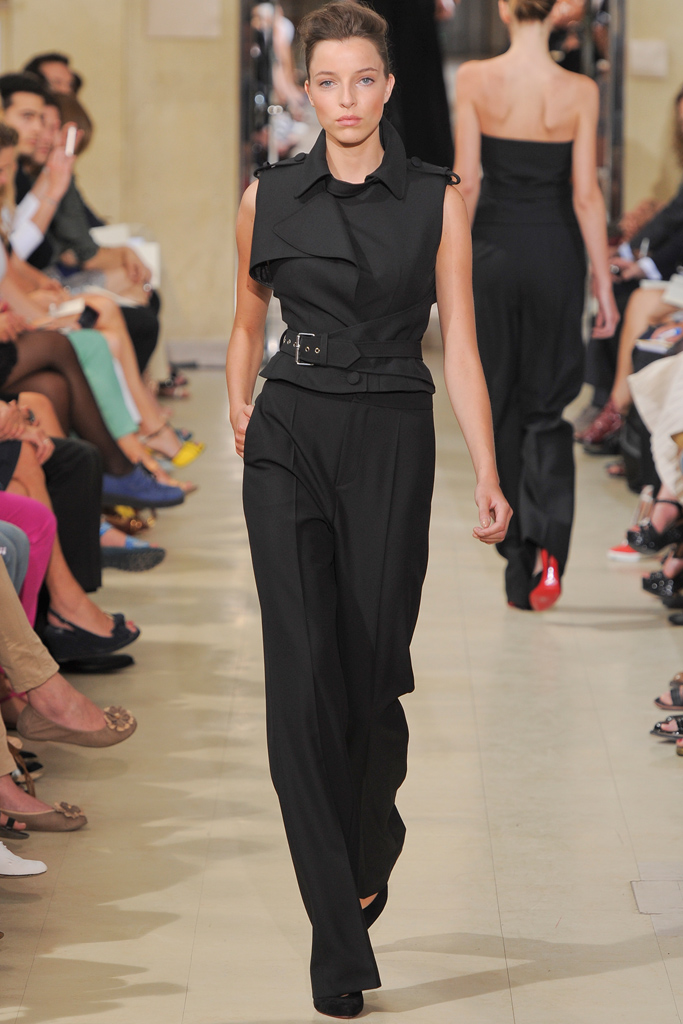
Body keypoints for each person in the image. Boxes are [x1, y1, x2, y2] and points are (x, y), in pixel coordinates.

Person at [226, 3, 511, 1016]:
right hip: (289, 437)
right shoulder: (268, 196)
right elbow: (245, 321)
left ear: (388, 86)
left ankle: (370, 837)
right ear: (306, 90)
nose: (345, 99)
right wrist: (237, 402)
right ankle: (337, 948)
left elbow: (460, 344)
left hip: (390, 433)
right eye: (327, 81)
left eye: (362, 79)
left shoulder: (436, 198)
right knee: (299, 685)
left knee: (371, 672)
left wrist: (487, 470)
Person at [454, 0, 619, 611]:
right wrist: (603, 283)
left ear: (504, 8)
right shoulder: (579, 90)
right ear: (555, 11)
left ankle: (516, 555)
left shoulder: (475, 78)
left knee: (499, 397)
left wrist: (446, 269)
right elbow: (586, 195)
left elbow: (467, 182)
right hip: (555, 253)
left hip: (493, 253)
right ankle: (548, 546)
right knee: (548, 405)